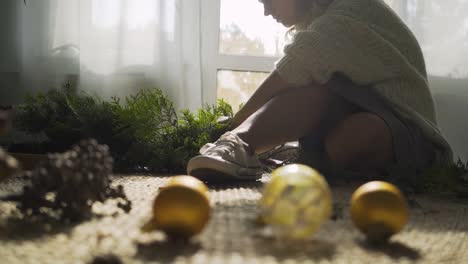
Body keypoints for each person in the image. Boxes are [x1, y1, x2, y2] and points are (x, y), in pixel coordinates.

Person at [187, 0, 453, 181]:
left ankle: (243, 142)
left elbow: (291, 71)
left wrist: (234, 122)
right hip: (358, 118)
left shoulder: (349, 12)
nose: (267, 11)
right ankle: (242, 146)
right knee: (321, 96)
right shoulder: (320, 17)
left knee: (352, 131)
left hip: (413, 138)